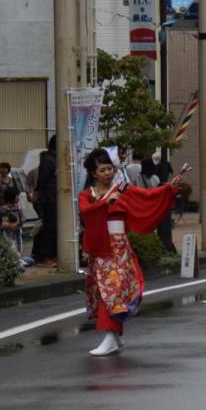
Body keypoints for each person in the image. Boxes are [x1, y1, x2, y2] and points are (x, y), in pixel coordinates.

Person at [79, 148, 188, 356]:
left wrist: (168, 188)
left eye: (109, 168)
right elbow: (86, 212)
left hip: (119, 248)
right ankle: (114, 336)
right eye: (102, 170)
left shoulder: (122, 189)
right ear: (93, 173)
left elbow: (147, 196)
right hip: (100, 249)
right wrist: (104, 203)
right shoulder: (87, 195)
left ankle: (110, 336)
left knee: (113, 291)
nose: (107, 173)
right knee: (104, 292)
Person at [32, 136, 58, 267]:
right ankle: (43, 256)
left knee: (52, 227)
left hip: (53, 197)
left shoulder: (52, 159)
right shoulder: (49, 160)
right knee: (49, 227)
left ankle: (50, 255)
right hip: (49, 199)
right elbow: (42, 179)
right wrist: (38, 192)